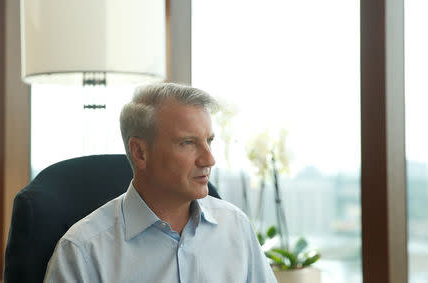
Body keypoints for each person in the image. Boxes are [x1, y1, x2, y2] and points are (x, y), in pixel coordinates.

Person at [44, 83, 277, 282]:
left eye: (209, 141)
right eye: (188, 142)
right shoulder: (82, 251)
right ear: (140, 153)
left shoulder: (236, 227)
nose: (209, 159)